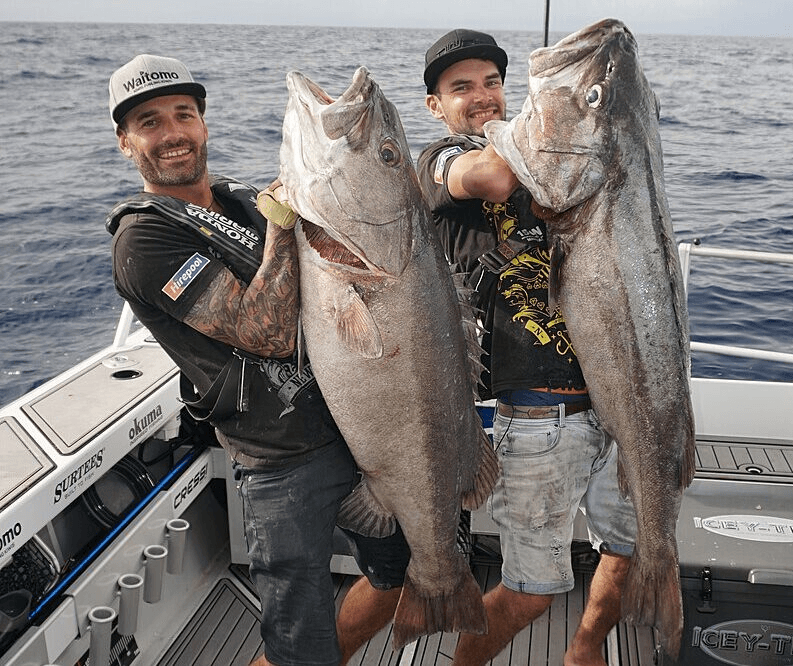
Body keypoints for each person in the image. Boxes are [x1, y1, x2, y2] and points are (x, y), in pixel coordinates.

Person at [106, 54, 408, 666]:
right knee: (298, 640)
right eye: (148, 121)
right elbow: (263, 331)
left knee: (404, 575)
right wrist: (280, 225)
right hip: (281, 464)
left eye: (182, 114)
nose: (171, 133)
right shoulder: (144, 239)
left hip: (353, 431)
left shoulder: (243, 199)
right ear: (125, 142)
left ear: (204, 124)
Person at [415, 30, 638, 666]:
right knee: (532, 591)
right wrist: (566, 113)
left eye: (491, 82)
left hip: (618, 399)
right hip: (540, 414)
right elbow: (491, 174)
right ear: (436, 105)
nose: (482, 96)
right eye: (462, 88)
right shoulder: (439, 159)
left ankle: (585, 653)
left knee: (628, 549)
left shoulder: (554, 154)